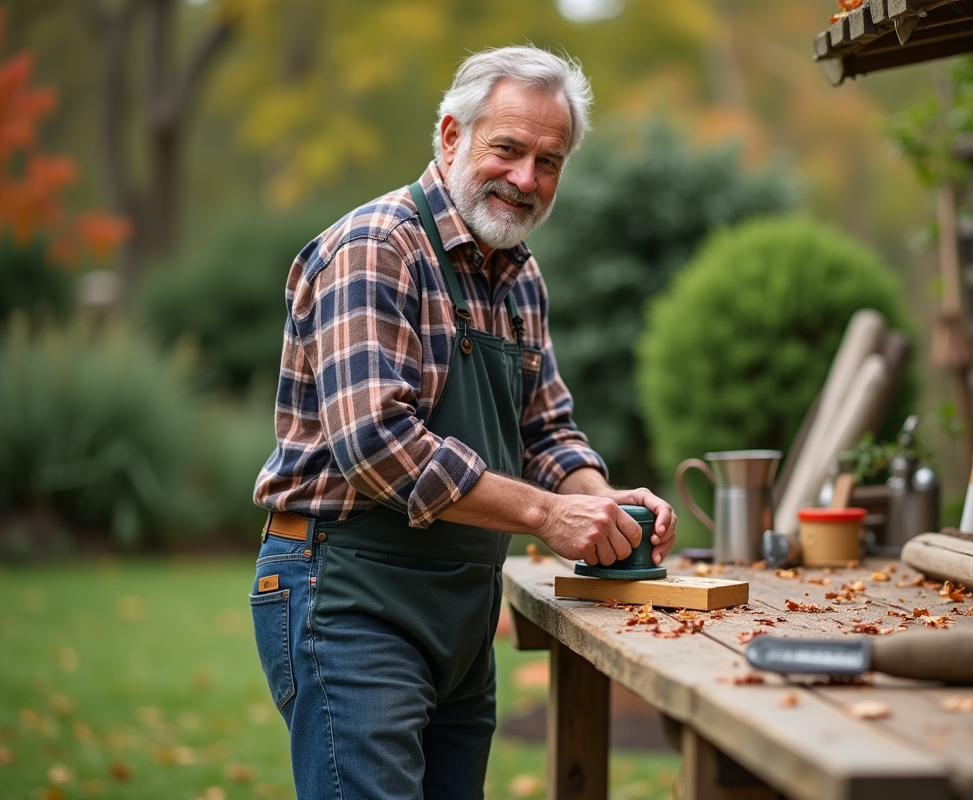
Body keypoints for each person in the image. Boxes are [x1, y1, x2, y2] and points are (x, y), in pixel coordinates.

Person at [249, 45, 677, 800]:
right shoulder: (375, 249)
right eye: (508, 149)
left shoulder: (519, 274)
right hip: (350, 597)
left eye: (549, 161)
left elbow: (548, 430)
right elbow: (377, 445)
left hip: (459, 611)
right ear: (451, 136)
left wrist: (599, 507)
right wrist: (549, 515)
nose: (526, 179)